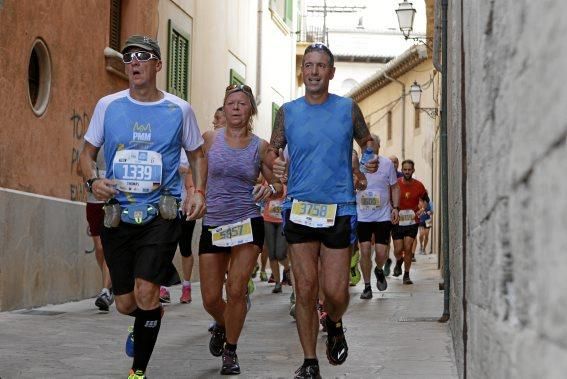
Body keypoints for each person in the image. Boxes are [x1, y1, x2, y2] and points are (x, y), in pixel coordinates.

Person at [78, 35, 206, 379]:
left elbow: (196, 154)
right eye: (129, 57)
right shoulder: (109, 105)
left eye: (143, 56)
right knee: (126, 303)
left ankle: (138, 372)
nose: (134, 62)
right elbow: (86, 155)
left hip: (160, 215)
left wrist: (198, 192)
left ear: (158, 65)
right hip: (118, 213)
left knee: (147, 292)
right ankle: (143, 321)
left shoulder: (179, 109)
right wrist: (93, 181)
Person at [270, 42, 377, 379]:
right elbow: (273, 150)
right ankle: (310, 362)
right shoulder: (287, 111)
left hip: (340, 209)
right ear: (302, 72)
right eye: (308, 65)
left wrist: (369, 159)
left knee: (336, 292)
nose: (313, 71)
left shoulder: (347, 109)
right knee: (304, 289)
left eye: (320, 66)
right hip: (299, 208)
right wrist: (274, 167)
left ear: (331, 72)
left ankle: (333, 321)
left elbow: (367, 141)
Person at [199, 83, 282, 375]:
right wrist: (195, 194)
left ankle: (230, 351)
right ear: (224, 107)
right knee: (210, 298)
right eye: (231, 103)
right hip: (214, 224)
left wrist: (269, 188)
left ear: (251, 111)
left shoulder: (260, 147)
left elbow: (279, 183)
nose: (235, 107)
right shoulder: (209, 140)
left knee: (235, 289)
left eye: (242, 103)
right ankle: (223, 323)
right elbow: (197, 175)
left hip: (247, 222)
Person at [356, 134, 400, 299]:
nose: (368, 145)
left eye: (372, 143)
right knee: (365, 250)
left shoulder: (387, 164)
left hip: (382, 215)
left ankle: (379, 269)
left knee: (381, 253)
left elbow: (395, 187)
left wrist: (396, 207)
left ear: (378, 146)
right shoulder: (356, 164)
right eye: (365, 143)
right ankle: (367, 286)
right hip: (362, 215)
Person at [78, 145, 114, 312]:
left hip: (113, 200)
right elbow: (79, 168)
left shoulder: (119, 136)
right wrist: (91, 174)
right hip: (93, 201)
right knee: (99, 247)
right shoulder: (91, 142)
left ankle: (105, 291)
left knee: (107, 246)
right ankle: (109, 282)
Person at [159, 151, 197, 304]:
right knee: (163, 247)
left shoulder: (189, 149)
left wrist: (183, 169)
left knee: (185, 248)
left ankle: (186, 287)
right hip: (165, 204)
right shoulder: (163, 146)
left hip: (186, 204)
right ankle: (163, 286)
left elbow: (196, 170)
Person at [391, 160, 428, 285]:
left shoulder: (419, 185)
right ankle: (399, 261)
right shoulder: (395, 185)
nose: (407, 172)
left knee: (407, 248)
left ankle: (406, 275)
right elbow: (389, 200)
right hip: (397, 221)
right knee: (397, 250)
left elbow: (425, 199)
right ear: (402, 170)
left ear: (413, 170)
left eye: (409, 169)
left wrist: (422, 208)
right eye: (405, 169)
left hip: (412, 221)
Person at [262, 180, 291, 293]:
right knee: (272, 254)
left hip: (282, 221)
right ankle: (278, 284)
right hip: (268, 219)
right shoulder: (266, 182)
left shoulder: (288, 181)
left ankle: (288, 269)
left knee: (280, 253)